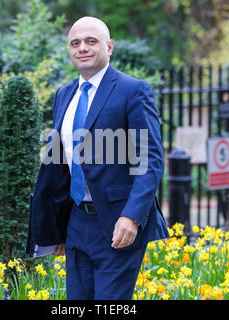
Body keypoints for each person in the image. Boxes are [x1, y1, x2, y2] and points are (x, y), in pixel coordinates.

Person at [26, 16, 169, 300]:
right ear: (69, 50)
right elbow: (59, 165)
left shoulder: (132, 91)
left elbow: (150, 159)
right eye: (75, 43)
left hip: (119, 223)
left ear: (109, 46)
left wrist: (131, 216)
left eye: (91, 41)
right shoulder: (63, 95)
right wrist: (57, 226)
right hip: (77, 223)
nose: (83, 48)